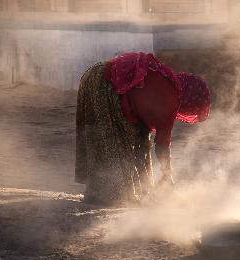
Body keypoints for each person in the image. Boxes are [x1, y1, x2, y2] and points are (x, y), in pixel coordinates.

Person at [75, 52, 210, 206]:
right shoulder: (169, 100)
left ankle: (96, 193)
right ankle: (108, 196)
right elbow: (162, 145)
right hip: (104, 86)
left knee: (101, 139)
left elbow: (143, 136)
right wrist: (167, 175)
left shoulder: (167, 80)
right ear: (191, 100)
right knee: (115, 142)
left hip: (94, 76)